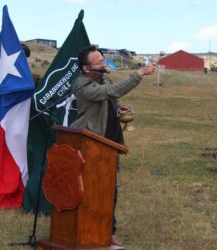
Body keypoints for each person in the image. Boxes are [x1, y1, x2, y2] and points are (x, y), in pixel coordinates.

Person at [70, 45, 156, 245]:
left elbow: (109, 98)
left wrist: (117, 109)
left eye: (103, 60)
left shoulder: (100, 80)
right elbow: (113, 91)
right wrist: (139, 73)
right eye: (98, 62)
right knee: (91, 190)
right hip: (92, 144)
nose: (103, 64)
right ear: (86, 68)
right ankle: (86, 230)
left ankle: (108, 231)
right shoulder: (83, 85)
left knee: (110, 190)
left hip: (109, 144)